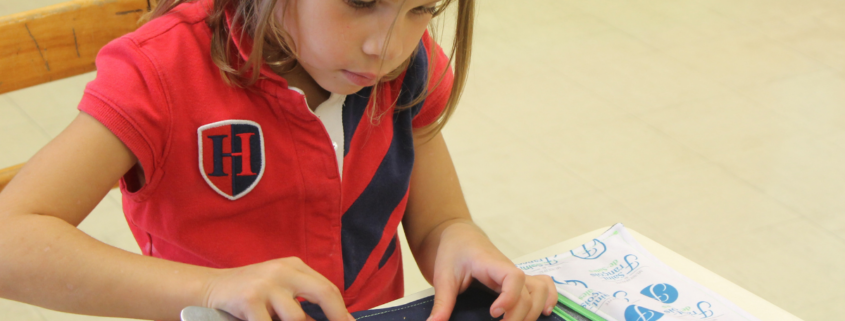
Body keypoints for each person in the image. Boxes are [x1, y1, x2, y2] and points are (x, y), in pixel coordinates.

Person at [0, 0, 557, 320]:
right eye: (361, 0)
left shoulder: (402, 68)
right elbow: (10, 242)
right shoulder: (164, 71)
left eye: (419, 9)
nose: (387, 47)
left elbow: (440, 221)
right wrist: (212, 289)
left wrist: (461, 243)